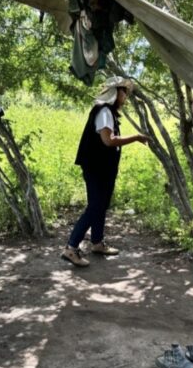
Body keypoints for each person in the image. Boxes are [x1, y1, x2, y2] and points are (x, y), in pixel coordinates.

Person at [62, 76, 148, 267]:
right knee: (95, 206)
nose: (125, 96)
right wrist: (135, 137)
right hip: (96, 167)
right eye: (123, 91)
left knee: (100, 205)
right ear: (115, 93)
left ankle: (97, 243)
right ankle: (71, 248)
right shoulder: (104, 111)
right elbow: (108, 141)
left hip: (101, 167)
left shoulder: (108, 112)